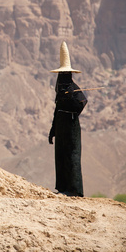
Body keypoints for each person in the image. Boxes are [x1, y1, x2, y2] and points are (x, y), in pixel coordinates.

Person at [48, 41, 87, 197]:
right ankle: (63, 187)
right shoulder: (60, 90)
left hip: (71, 126)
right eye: (61, 75)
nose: (62, 77)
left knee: (72, 156)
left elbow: (81, 103)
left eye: (64, 74)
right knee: (61, 155)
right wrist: (53, 130)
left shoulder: (73, 89)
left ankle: (75, 190)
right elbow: (57, 111)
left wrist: (70, 98)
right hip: (61, 126)